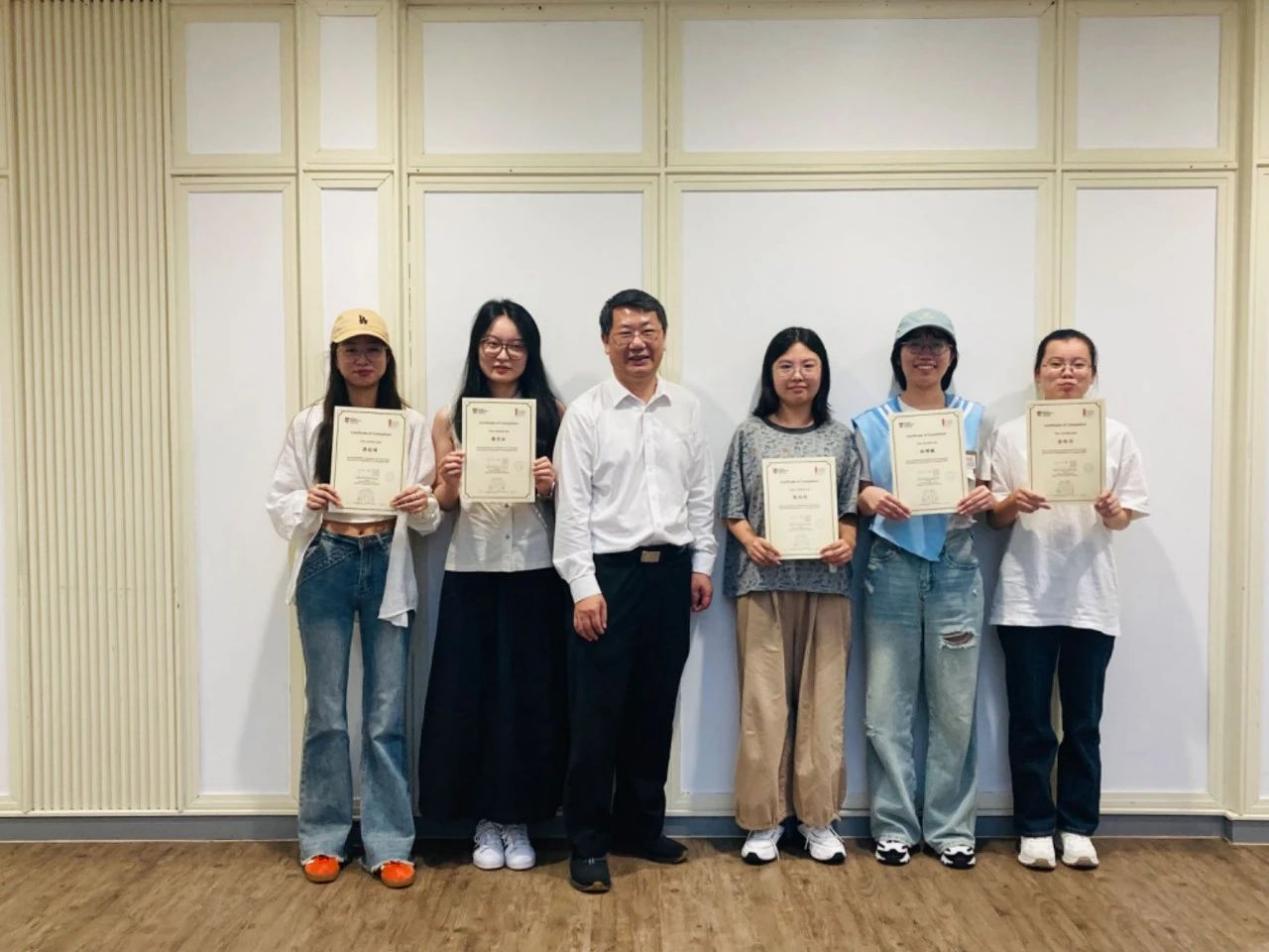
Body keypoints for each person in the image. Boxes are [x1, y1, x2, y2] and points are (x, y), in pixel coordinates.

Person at [266, 308, 440, 888]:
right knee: (326, 711)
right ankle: (323, 837)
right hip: (328, 561)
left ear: (387, 359)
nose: (362, 360)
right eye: (351, 349)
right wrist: (309, 500)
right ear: (336, 358)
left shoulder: (409, 424)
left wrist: (421, 504)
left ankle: (389, 843)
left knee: (386, 712)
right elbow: (279, 504)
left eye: (372, 349)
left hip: (388, 559)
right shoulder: (311, 423)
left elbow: (429, 516)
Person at [552, 288, 716, 893]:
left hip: (671, 574)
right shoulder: (587, 414)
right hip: (608, 577)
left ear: (664, 337)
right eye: (625, 332)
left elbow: (700, 493)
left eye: (648, 331)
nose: (638, 343)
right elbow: (572, 508)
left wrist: (702, 563)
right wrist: (583, 587)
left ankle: (641, 828)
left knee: (654, 707)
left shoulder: (687, 408)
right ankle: (588, 842)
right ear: (605, 342)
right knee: (596, 715)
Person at [416, 299, 569, 872]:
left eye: (515, 345)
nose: (503, 354)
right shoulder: (449, 417)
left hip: (534, 569)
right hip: (471, 570)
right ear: (477, 348)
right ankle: (483, 819)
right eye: (493, 343)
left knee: (529, 699)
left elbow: (573, 502)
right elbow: (442, 506)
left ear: (530, 353)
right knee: (470, 697)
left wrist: (551, 483)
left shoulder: (554, 413)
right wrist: (448, 480)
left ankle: (519, 817)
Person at [988, 329, 1148, 871]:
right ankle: (1034, 828)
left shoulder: (1116, 435)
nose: (1067, 373)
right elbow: (994, 518)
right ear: (1037, 373)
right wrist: (1013, 501)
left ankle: (1078, 827)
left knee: (1083, 723)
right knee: (1031, 721)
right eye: (1055, 363)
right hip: (1025, 596)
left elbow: (1125, 516)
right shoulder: (1010, 434)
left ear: (1093, 374)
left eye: (1078, 364)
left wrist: (1112, 512)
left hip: (1091, 596)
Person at [853, 308, 994, 870]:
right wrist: (868, 498)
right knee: (886, 705)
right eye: (915, 344)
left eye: (938, 344)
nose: (926, 353)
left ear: (952, 356)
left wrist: (986, 496)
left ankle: (951, 828)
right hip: (891, 566)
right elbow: (857, 491)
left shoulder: (976, 419)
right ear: (899, 356)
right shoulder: (870, 422)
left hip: (956, 568)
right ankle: (893, 826)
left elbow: (992, 487)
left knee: (955, 706)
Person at [717, 327, 860, 865]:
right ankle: (763, 822)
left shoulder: (841, 437)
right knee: (764, 706)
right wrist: (749, 540)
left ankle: (818, 820)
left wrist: (847, 542)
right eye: (786, 366)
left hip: (827, 586)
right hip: (763, 585)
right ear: (770, 374)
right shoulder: (749, 434)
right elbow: (731, 507)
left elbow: (851, 509)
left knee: (824, 706)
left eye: (808, 365)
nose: (797, 376)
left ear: (822, 373)